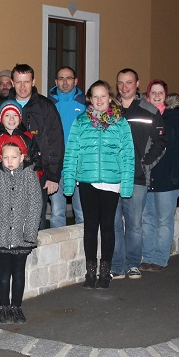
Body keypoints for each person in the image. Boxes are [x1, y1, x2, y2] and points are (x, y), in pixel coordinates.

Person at [62, 80, 135, 288]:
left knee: (108, 227)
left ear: (110, 98)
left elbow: (128, 155)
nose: (99, 100)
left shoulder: (120, 123)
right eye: (95, 96)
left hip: (111, 183)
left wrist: (126, 186)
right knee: (90, 227)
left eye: (103, 96)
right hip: (87, 181)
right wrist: (69, 183)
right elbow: (71, 153)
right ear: (90, 99)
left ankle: (105, 272)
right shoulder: (81, 122)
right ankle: (90, 272)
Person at [111, 68, 167, 280]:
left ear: (137, 84)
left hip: (137, 178)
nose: (124, 87)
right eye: (120, 82)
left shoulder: (149, 110)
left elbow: (160, 142)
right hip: (111, 178)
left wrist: (145, 165)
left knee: (134, 224)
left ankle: (133, 264)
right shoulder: (110, 110)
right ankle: (117, 265)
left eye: (129, 82)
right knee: (114, 224)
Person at [0, 142, 42, 324]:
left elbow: (35, 205)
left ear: (21, 158)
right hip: (2, 235)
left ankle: (16, 306)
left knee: (18, 272)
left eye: (14, 157)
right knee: (4, 273)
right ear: (1, 158)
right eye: (6, 158)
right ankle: (4, 307)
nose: (10, 161)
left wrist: (30, 233)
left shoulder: (29, 175)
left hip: (22, 235)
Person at [141, 80, 179, 271]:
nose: (157, 95)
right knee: (147, 219)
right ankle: (148, 257)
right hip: (146, 178)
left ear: (166, 95)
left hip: (168, 179)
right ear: (148, 95)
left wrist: (177, 175)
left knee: (164, 221)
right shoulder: (144, 114)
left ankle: (160, 259)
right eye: (153, 92)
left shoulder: (175, 116)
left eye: (160, 92)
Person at [10, 63, 64, 228]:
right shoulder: (4, 106)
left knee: (35, 220)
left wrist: (53, 176)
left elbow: (56, 142)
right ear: (12, 83)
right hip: (9, 173)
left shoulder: (46, 107)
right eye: (18, 82)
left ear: (33, 82)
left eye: (26, 81)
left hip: (38, 173)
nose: (22, 86)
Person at [47, 66, 86, 227]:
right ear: (56, 82)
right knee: (57, 212)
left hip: (79, 167)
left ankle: (84, 244)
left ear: (75, 81)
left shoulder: (85, 103)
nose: (65, 82)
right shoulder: (48, 104)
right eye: (61, 78)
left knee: (82, 212)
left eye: (68, 78)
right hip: (56, 167)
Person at [0, 101, 43, 181]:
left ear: (20, 118)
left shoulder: (28, 137)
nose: (11, 119)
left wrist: (34, 179)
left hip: (23, 182)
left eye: (15, 115)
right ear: (1, 118)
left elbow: (37, 160)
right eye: (7, 115)